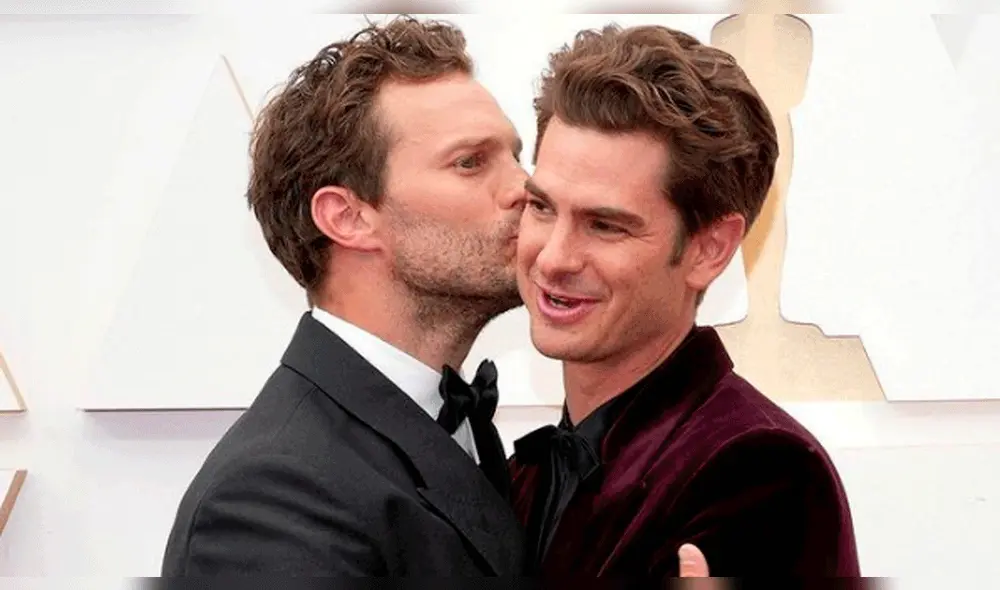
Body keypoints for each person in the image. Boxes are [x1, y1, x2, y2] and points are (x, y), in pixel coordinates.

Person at [160, 16, 529, 576]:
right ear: (349, 217)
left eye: (515, 156)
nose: (526, 188)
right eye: (470, 162)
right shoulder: (270, 502)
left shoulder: (455, 423)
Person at [508, 23, 861, 578]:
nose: (552, 258)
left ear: (709, 249)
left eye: (605, 225)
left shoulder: (761, 475)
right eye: (543, 207)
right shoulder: (527, 472)